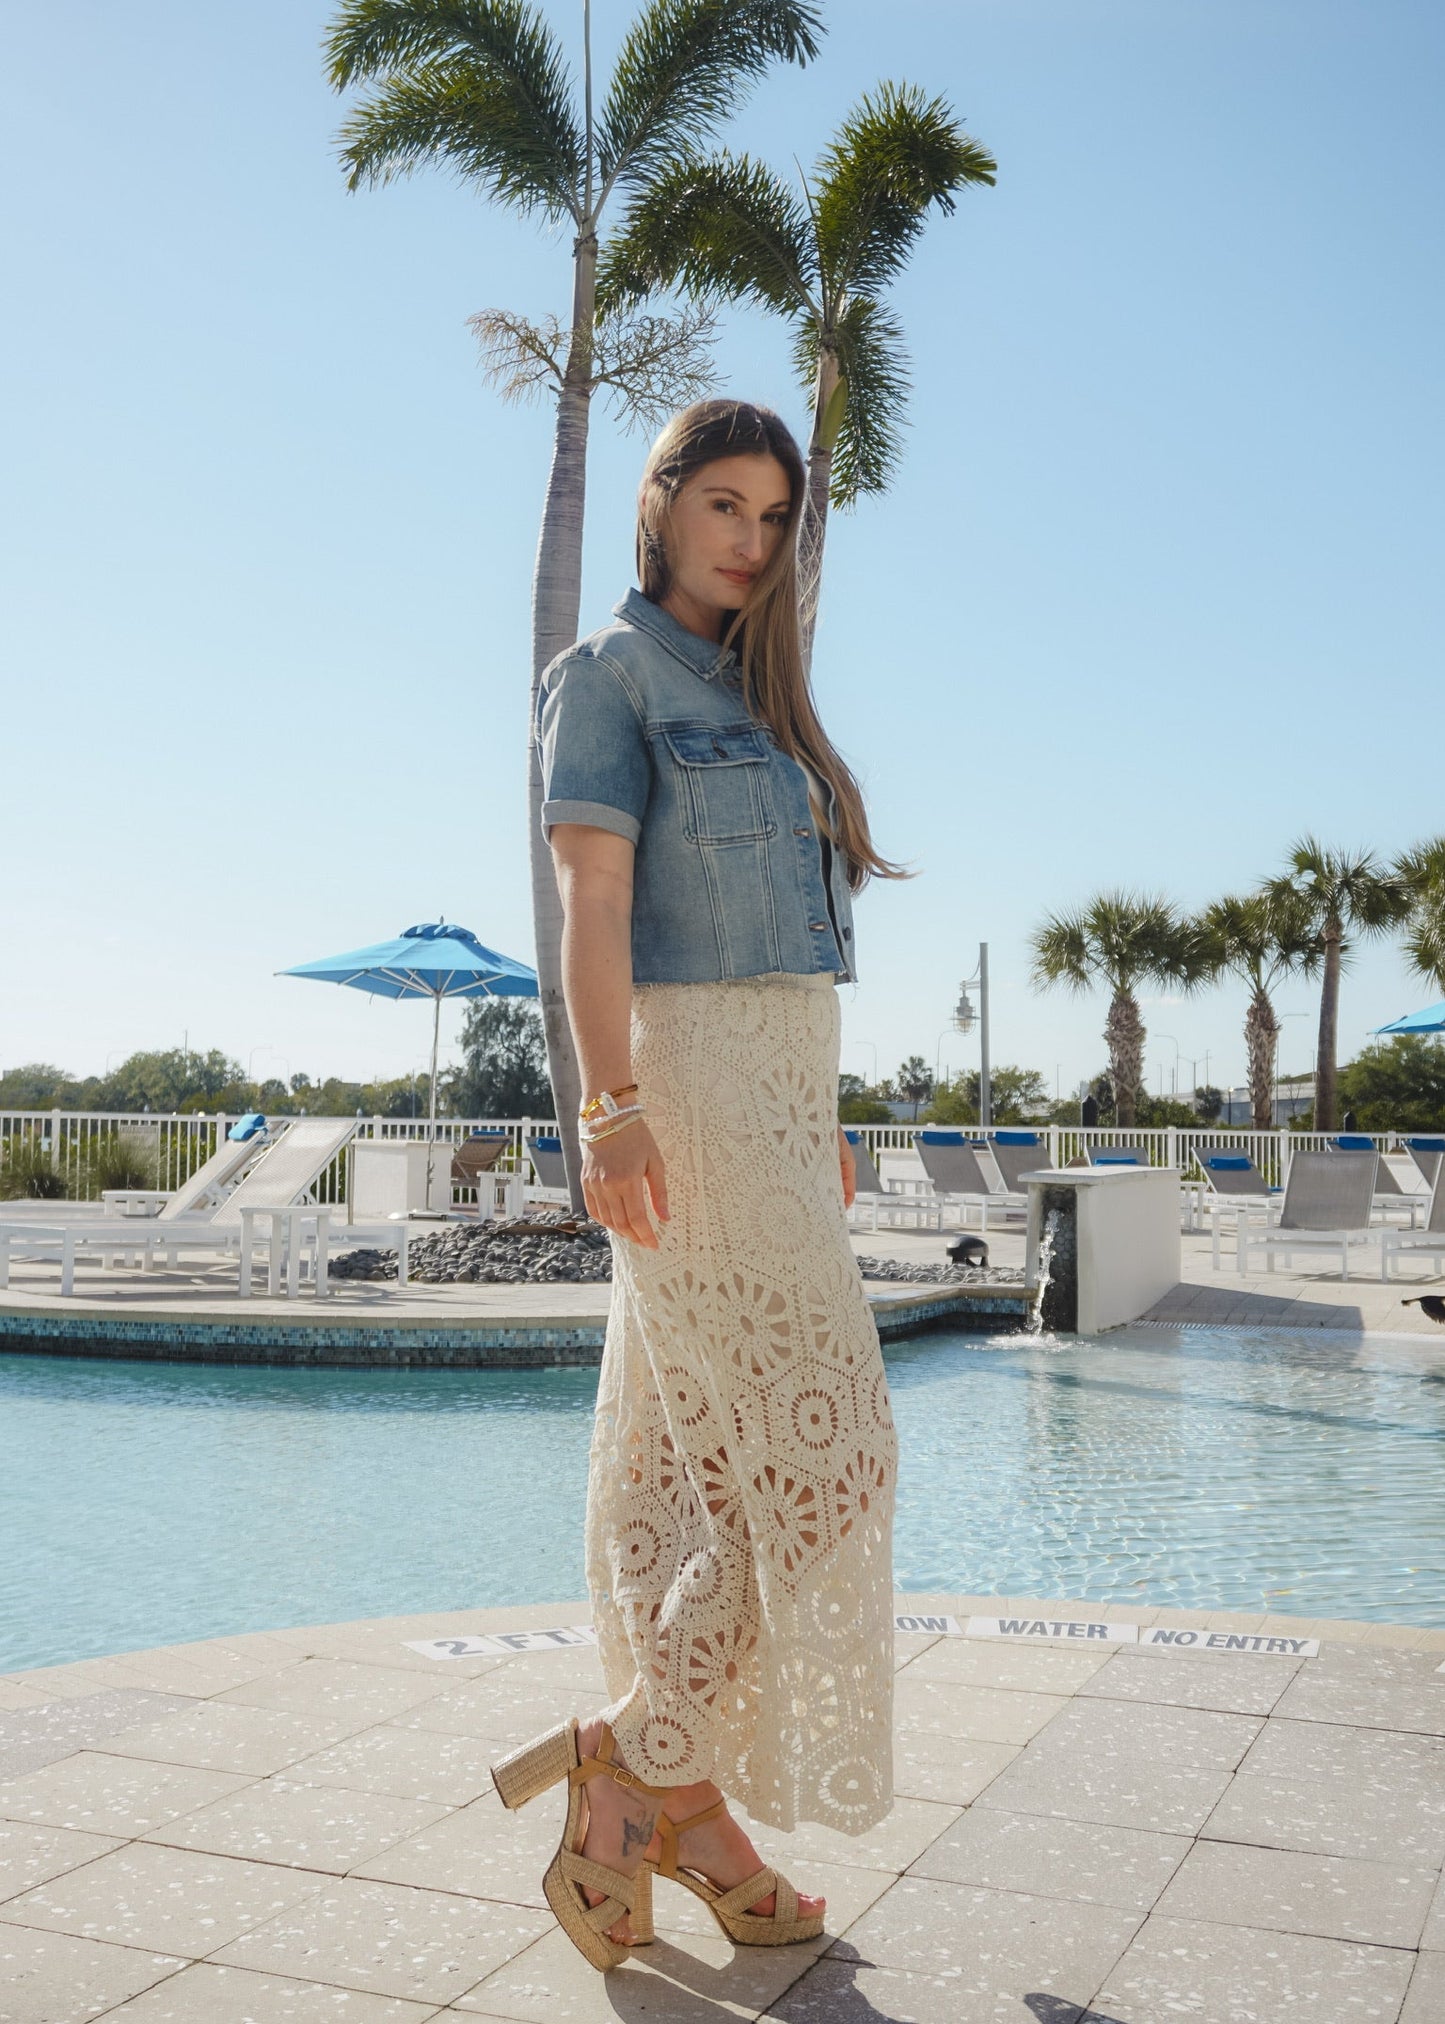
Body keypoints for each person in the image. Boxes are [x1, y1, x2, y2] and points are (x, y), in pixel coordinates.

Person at [490, 398, 906, 1972]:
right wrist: (609, 1109)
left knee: (706, 1477)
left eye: (773, 515)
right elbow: (592, 908)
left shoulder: (754, 690)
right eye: (722, 503)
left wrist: (822, 1118)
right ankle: (637, 1753)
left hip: (779, 1102)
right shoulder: (604, 678)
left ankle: (662, 1805)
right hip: (684, 1098)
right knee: (835, 1455)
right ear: (657, 504)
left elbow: (787, 953)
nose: (749, 538)